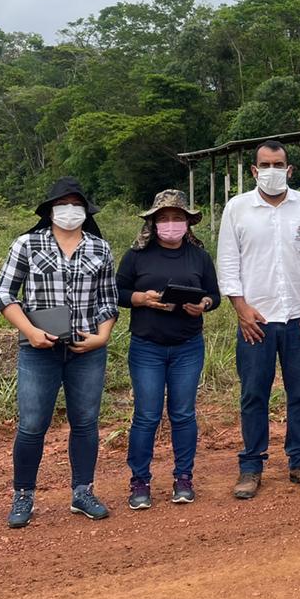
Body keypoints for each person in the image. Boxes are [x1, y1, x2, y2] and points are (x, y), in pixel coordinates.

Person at [0, 177, 118, 528]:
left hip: (87, 350)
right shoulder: (27, 244)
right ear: (49, 210)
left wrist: (101, 338)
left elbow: (108, 299)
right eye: (62, 204)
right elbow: (3, 293)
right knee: (32, 425)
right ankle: (23, 497)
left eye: (76, 204)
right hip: (38, 350)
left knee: (86, 423)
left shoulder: (99, 248)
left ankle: (82, 492)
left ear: (85, 210)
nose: (69, 211)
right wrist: (30, 331)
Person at [217, 139, 300, 500]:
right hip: (257, 320)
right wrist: (241, 308)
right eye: (264, 165)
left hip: (299, 317)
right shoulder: (237, 209)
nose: (271, 171)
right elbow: (229, 263)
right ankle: (251, 466)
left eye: (278, 165)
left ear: (289, 169)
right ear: (253, 171)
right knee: (253, 395)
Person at [116, 190, 221, 509]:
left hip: (188, 346)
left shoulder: (199, 256)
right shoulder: (136, 255)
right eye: (164, 218)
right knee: (146, 415)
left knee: (183, 414)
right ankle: (140, 481)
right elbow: (117, 292)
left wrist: (201, 304)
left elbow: (214, 296)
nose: (171, 224)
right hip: (147, 346)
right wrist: (141, 298)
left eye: (178, 218)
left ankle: (183, 478)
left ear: (188, 222)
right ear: (153, 222)